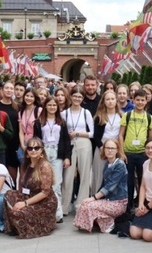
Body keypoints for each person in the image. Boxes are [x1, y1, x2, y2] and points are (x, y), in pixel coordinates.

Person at [3, 137, 57, 239]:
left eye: (36, 148)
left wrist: (24, 203)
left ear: (42, 150)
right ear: (27, 151)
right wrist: (18, 200)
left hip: (44, 202)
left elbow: (45, 193)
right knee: (8, 194)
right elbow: (23, 186)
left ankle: (38, 225)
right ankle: (14, 226)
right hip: (29, 196)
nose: (33, 150)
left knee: (19, 213)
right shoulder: (26, 165)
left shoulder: (45, 166)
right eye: (30, 148)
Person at [74, 138, 127, 233]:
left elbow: (109, 187)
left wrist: (93, 198)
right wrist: (93, 199)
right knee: (83, 205)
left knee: (88, 206)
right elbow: (103, 184)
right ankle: (105, 221)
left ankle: (109, 223)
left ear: (117, 150)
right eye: (107, 148)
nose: (110, 150)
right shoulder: (108, 164)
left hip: (118, 203)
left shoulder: (120, 165)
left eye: (112, 148)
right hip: (108, 200)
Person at [32, 96, 71, 222]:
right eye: (49, 105)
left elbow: (66, 140)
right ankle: (45, 210)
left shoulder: (61, 122)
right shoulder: (39, 122)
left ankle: (57, 214)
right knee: (44, 183)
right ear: (45, 107)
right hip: (44, 152)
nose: (52, 107)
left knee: (56, 183)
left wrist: (67, 157)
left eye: (54, 105)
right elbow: (36, 139)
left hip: (57, 152)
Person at [118, 89, 152, 211]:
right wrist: (122, 152)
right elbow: (121, 135)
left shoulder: (149, 117)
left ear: (146, 101)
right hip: (128, 153)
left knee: (142, 180)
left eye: (142, 100)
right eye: (137, 100)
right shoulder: (127, 115)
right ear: (133, 100)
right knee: (128, 181)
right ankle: (127, 206)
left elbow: (151, 137)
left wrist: (150, 152)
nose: (140, 102)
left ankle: (140, 204)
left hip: (142, 154)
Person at [61, 86, 94, 215]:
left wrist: (78, 133)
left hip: (84, 143)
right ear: (71, 97)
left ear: (82, 99)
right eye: (75, 96)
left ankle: (81, 204)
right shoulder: (64, 113)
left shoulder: (86, 113)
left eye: (80, 97)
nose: (77, 99)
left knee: (84, 174)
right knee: (67, 175)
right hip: (69, 145)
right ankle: (65, 205)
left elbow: (92, 133)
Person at [92, 90, 123, 193]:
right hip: (102, 147)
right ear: (104, 101)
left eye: (112, 99)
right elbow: (96, 137)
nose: (110, 101)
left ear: (116, 101)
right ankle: (96, 196)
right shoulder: (99, 117)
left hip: (116, 147)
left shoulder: (122, 116)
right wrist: (103, 149)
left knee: (115, 174)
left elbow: (122, 134)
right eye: (108, 99)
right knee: (100, 174)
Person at [0, 81, 20, 180]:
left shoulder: (17, 107)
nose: (9, 90)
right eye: (7, 88)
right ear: (2, 90)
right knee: (0, 170)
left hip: (13, 143)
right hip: (0, 142)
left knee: (12, 172)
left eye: (11, 88)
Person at [17, 88, 42, 162]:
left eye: (31, 96)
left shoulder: (39, 110)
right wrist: (22, 145)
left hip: (36, 143)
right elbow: (21, 131)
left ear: (35, 98)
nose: (29, 98)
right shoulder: (21, 112)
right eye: (27, 96)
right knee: (24, 166)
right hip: (25, 142)